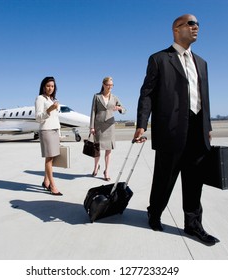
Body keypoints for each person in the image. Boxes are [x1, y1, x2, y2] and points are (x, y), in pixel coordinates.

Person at [133, 14, 219, 245]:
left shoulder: (202, 62)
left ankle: (193, 225)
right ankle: (155, 212)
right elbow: (147, 93)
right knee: (165, 178)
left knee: (194, 180)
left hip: (197, 129)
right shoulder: (159, 59)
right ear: (176, 29)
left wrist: (207, 126)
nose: (196, 27)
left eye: (198, 24)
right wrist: (142, 123)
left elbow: (205, 97)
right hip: (170, 129)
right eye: (191, 24)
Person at [90, 76, 126, 181]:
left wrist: (119, 109)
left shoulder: (114, 97)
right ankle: (96, 167)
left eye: (111, 85)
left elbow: (124, 109)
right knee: (97, 149)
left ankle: (107, 171)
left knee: (108, 150)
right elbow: (93, 111)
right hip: (99, 126)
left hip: (110, 126)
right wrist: (92, 127)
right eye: (108, 85)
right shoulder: (96, 96)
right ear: (103, 85)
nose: (110, 87)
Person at [35, 76, 63, 196]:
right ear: (43, 87)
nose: (50, 88)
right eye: (48, 86)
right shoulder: (40, 99)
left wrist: (59, 133)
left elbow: (56, 118)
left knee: (51, 158)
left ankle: (46, 181)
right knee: (49, 158)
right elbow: (38, 118)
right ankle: (52, 185)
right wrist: (49, 109)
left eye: (52, 86)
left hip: (55, 131)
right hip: (46, 131)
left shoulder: (52, 99)